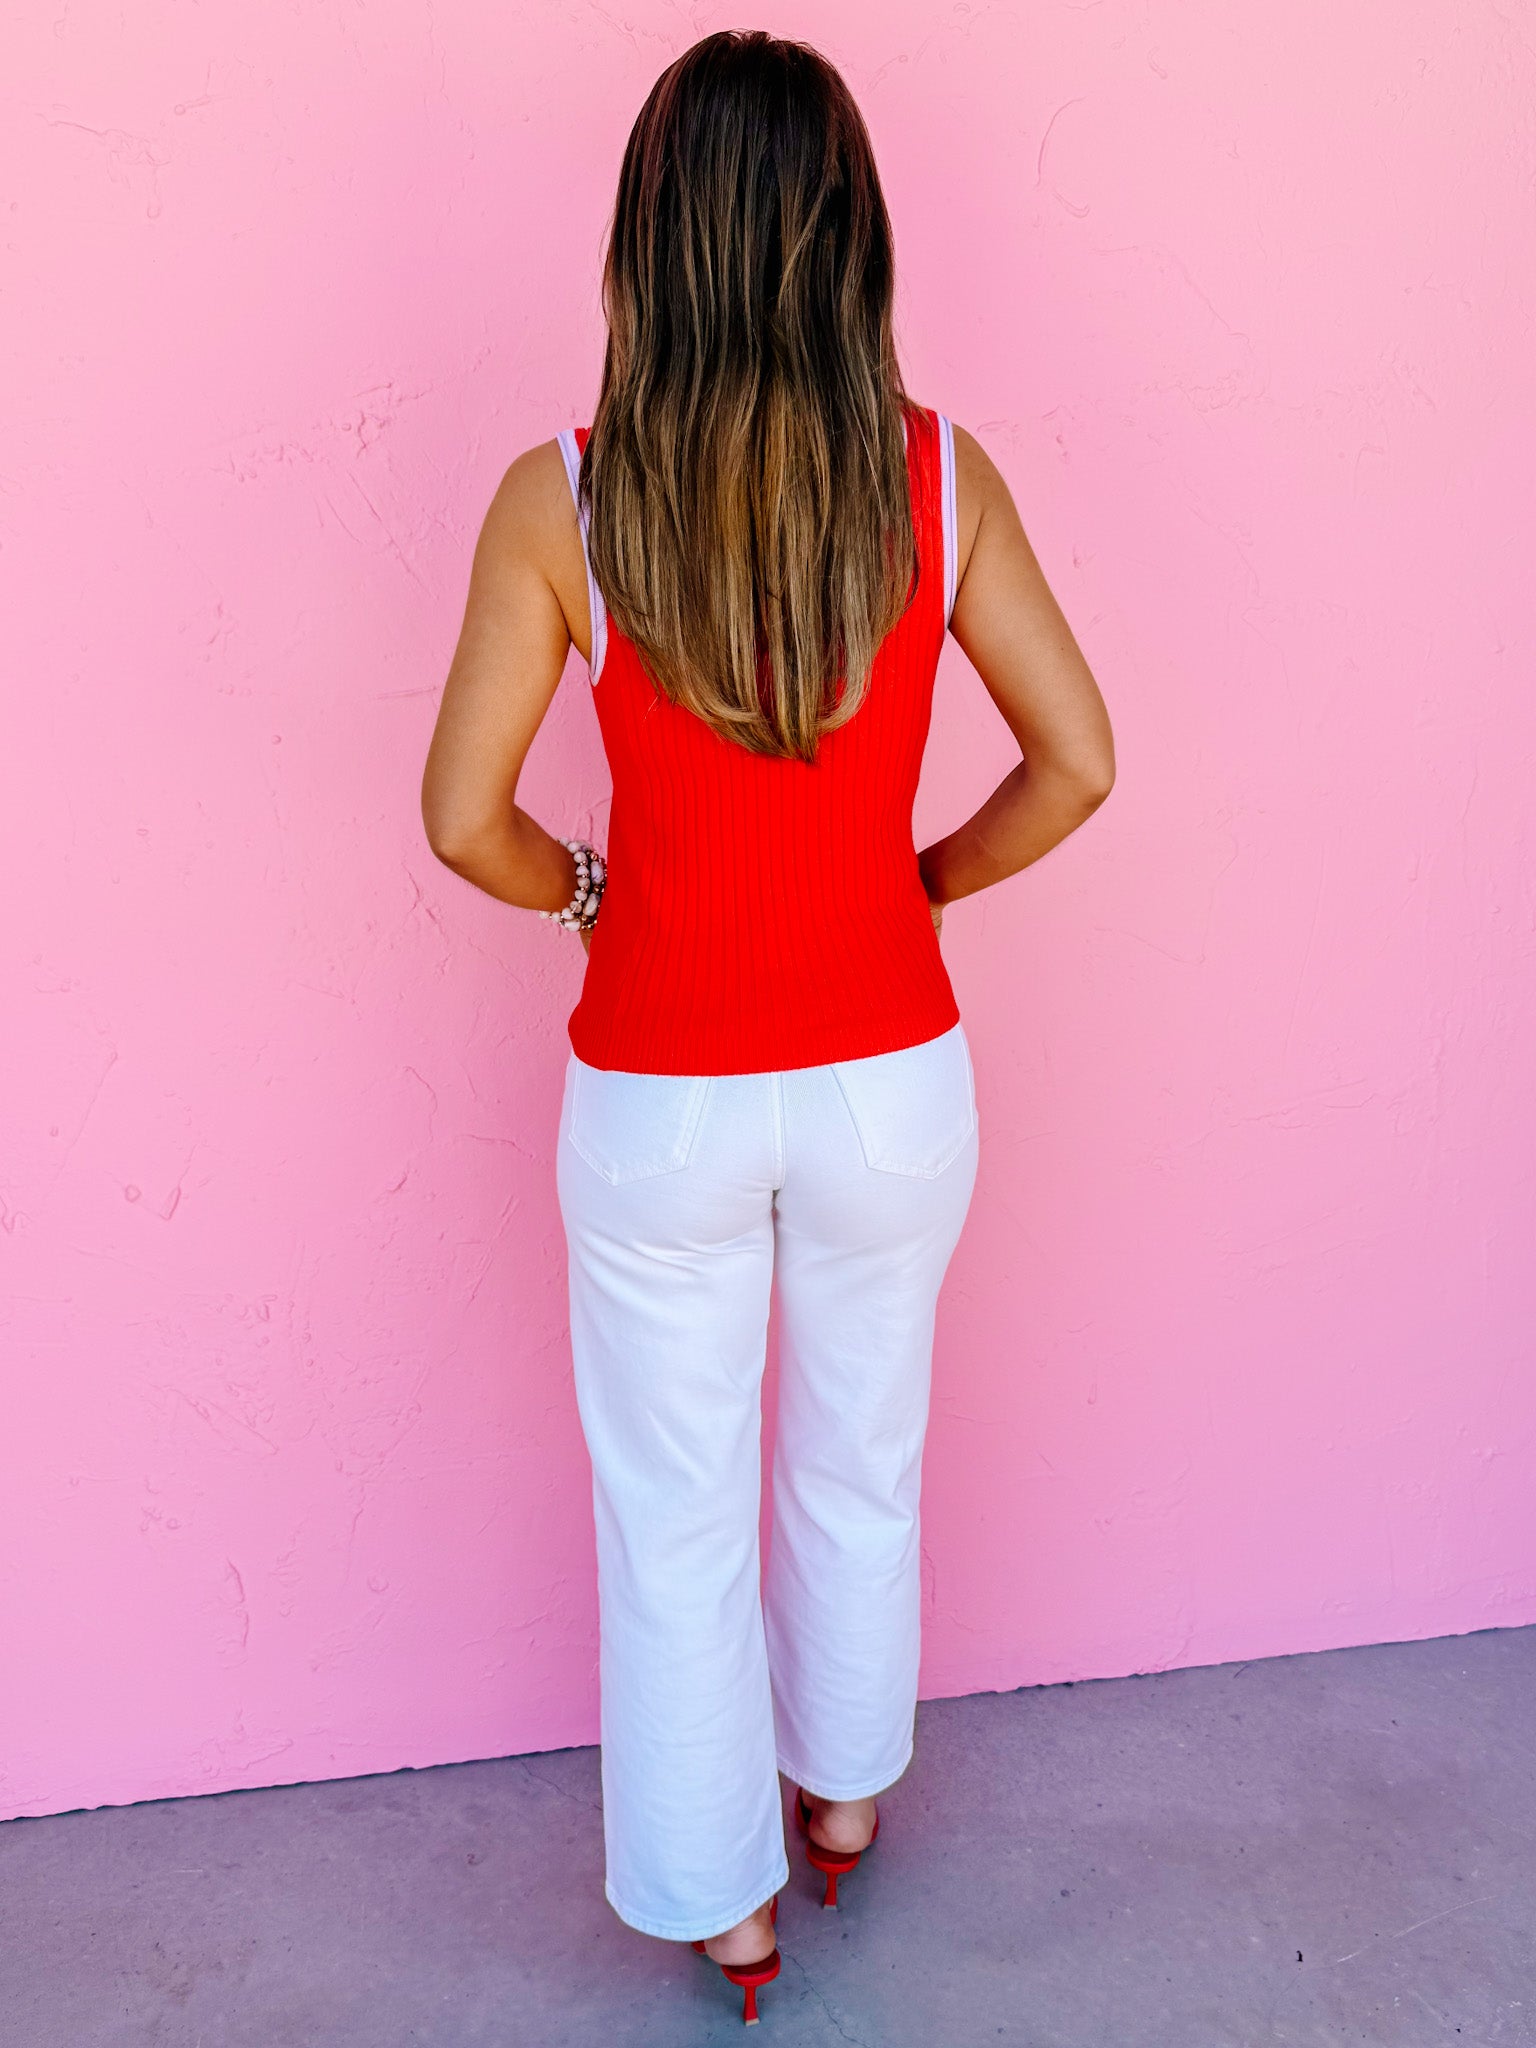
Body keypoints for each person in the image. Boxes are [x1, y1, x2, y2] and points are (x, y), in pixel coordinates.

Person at [421, 29, 1113, 2025]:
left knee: (673, 1506)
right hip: (896, 1076)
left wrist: (579, 890)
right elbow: (1079, 760)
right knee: (859, 1452)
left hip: (660, 1098)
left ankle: (726, 1906)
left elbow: (465, 815)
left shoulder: (562, 500)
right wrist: (923, 882)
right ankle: (847, 1805)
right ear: (849, 238)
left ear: (651, 239)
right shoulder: (938, 478)